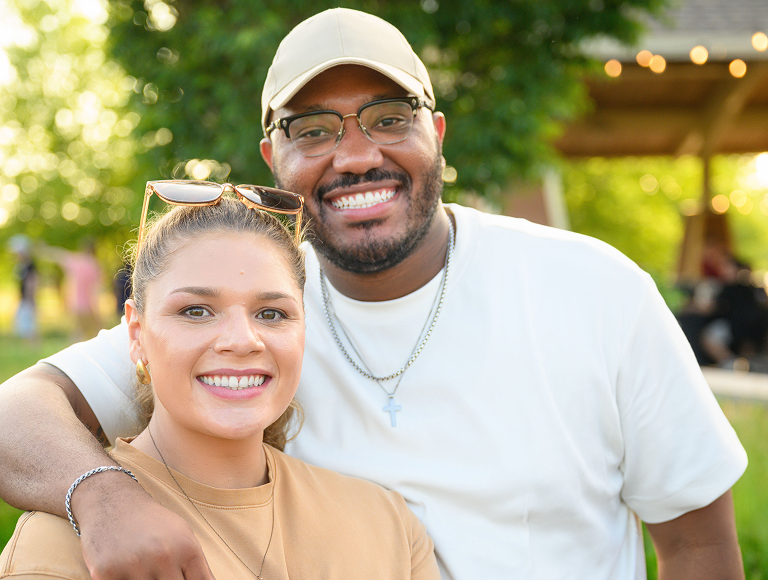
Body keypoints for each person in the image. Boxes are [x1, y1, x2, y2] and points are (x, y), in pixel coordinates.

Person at [0, 8, 747, 580]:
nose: (357, 156)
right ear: (273, 156)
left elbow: (696, 541)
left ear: (438, 134)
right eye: (313, 129)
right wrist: (100, 495)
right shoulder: (256, 314)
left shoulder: (594, 289)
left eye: (390, 119)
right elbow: (16, 414)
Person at [0, 193, 439, 579]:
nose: (242, 340)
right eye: (196, 311)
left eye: (271, 313)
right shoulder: (67, 545)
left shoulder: (389, 527)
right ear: (136, 333)